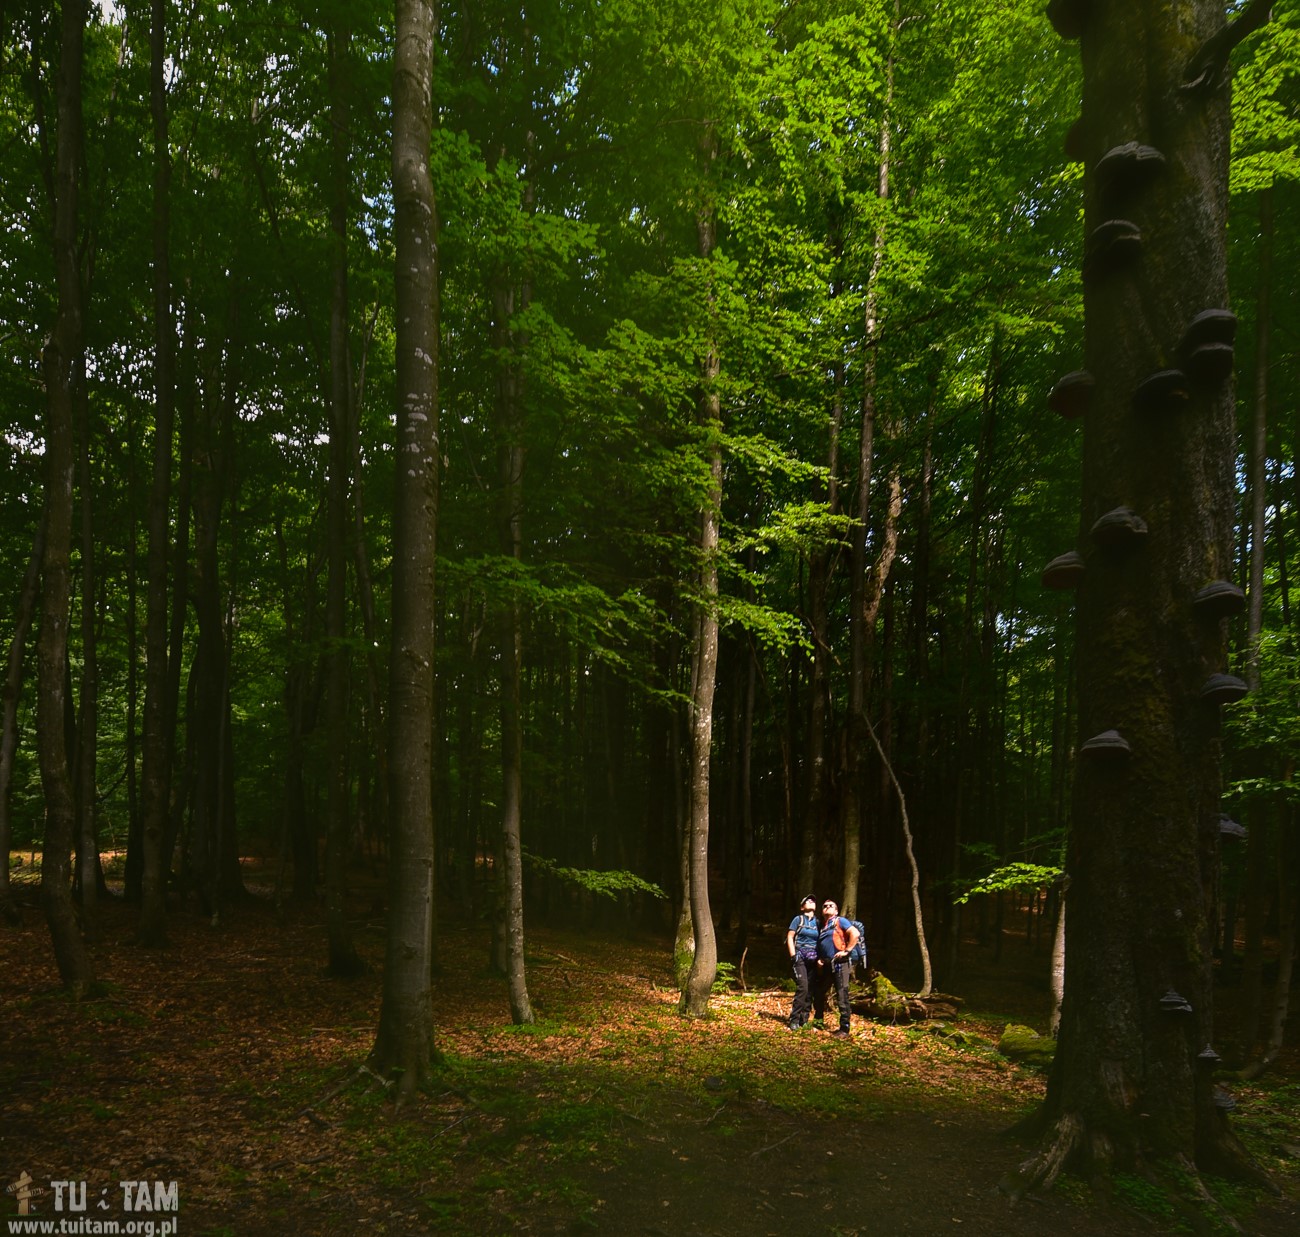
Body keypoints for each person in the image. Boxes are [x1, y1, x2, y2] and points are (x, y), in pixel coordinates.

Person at [813, 898, 859, 1039]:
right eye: (824, 906)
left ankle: (844, 1029)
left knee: (842, 995)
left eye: (830, 906)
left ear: (836, 910)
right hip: (827, 964)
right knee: (819, 993)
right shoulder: (823, 926)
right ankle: (818, 1021)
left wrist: (847, 950)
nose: (827, 907)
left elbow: (855, 933)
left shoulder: (840, 921)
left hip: (841, 963)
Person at [784, 895, 819, 1030]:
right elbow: (790, 936)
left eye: (813, 901)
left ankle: (804, 1020)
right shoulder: (798, 919)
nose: (811, 902)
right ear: (802, 906)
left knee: (810, 989)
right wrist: (793, 956)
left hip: (814, 958)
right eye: (807, 900)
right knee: (803, 987)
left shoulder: (818, 922)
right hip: (800, 956)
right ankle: (794, 1019)